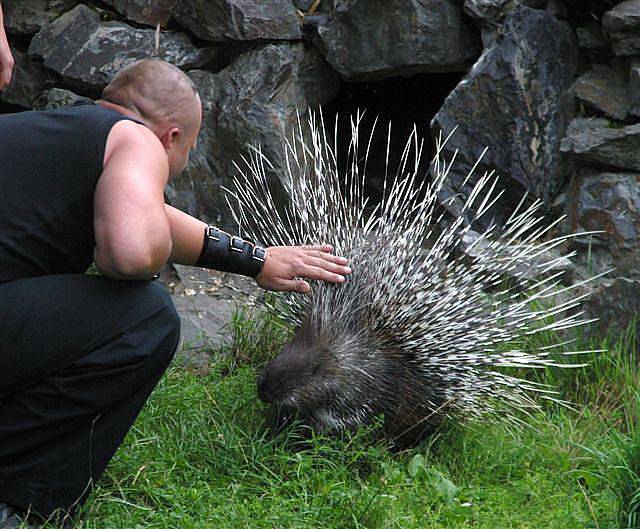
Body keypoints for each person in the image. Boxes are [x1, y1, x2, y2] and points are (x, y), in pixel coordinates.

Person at [0, 55, 352, 528]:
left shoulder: (37, 132)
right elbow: (128, 252)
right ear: (171, 136)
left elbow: (149, 216)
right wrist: (140, 258)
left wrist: (259, 260)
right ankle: (21, 504)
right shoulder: (137, 139)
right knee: (145, 316)